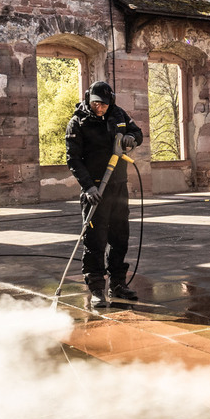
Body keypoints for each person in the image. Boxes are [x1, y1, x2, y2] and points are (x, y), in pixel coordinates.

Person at [65, 80, 144, 309]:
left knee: (120, 238)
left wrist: (132, 138)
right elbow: (73, 160)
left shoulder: (118, 114)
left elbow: (137, 132)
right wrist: (88, 187)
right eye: (96, 103)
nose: (100, 107)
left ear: (111, 101)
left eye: (104, 104)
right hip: (95, 190)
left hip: (118, 186)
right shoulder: (78, 122)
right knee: (95, 240)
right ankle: (97, 289)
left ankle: (117, 284)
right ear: (88, 99)